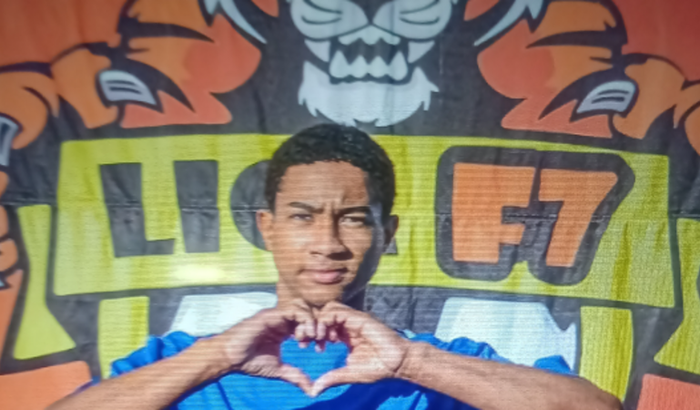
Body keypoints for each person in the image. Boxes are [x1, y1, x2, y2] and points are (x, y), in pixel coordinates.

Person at [49, 124, 621, 410]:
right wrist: (216, 357)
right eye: (302, 217)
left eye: (352, 218)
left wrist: (412, 361)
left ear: (387, 235)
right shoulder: (183, 363)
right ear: (267, 227)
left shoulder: (438, 367)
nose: (327, 243)